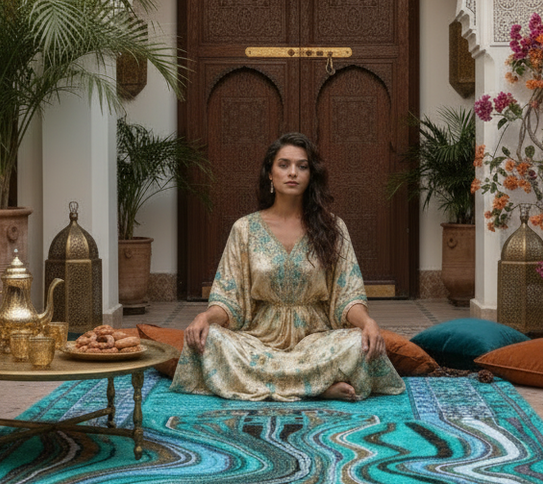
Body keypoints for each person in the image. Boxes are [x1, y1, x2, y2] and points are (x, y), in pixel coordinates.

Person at [170, 133, 405, 402]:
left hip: (316, 341)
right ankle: (318, 388)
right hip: (258, 341)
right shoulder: (244, 229)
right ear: (270, 173)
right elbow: (228, 299)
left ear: (311, 175)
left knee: (357, 344)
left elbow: (348, 296)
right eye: (283, 165)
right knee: (210, 339)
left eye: (302, 166)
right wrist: (205, 318)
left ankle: (280, 385)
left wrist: (368, 323)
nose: (292, 172)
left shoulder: (333, 228)